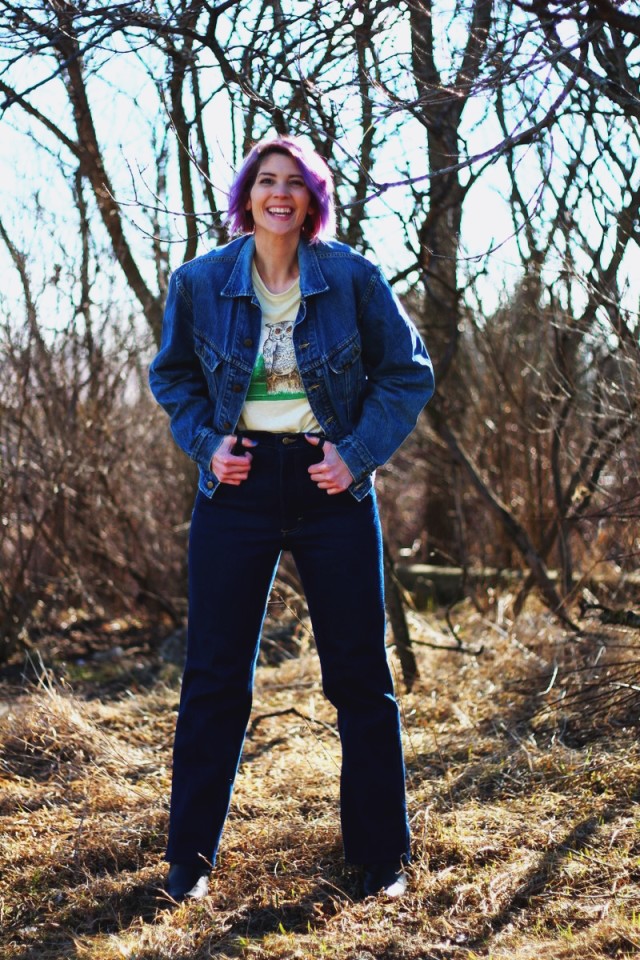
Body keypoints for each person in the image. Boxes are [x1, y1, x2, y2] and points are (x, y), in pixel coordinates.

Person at [149, 135, 435, 904]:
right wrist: (206, 447)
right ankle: (190, 861)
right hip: (235, 490)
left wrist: (357, 455)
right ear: (247, 197)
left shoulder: (351, 278)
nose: (280, 194)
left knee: (359, 676)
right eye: (266, 181)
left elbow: (409, 372)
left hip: (329, 484)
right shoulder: (201, 281)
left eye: (295, 183)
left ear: (312, 199)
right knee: (214, 677)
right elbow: (170, 375)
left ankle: (381, 861)